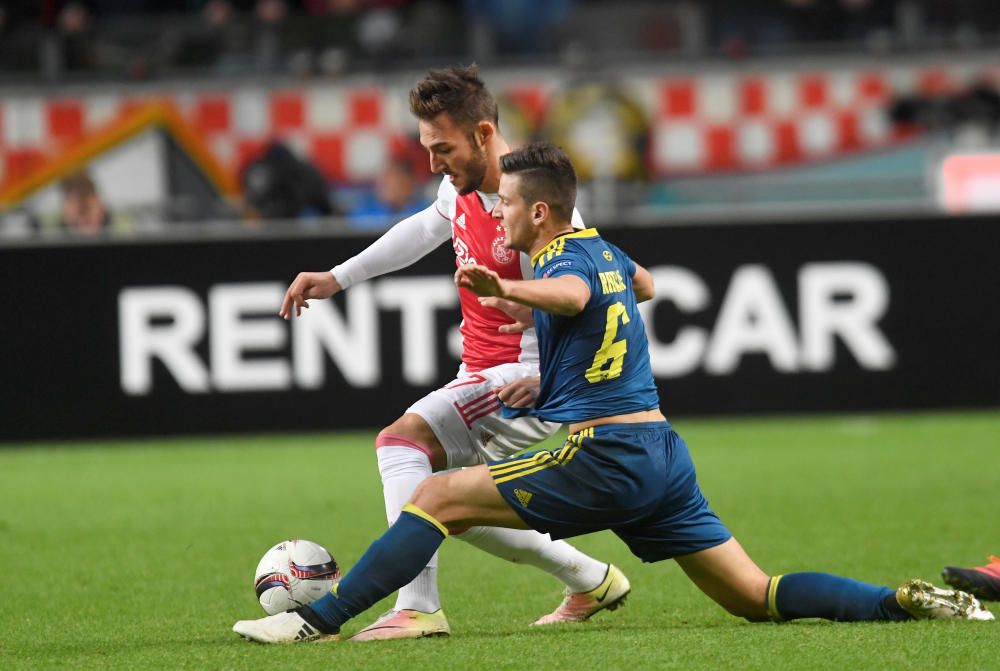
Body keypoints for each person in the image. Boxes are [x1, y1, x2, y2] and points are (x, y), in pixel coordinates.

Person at [235, 142, 993, 644]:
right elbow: (643, 282)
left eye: (504, 207)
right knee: (753, 594)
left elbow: (568, 295)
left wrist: (506, 286)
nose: (495, 218)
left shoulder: (562, 263)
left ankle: (319, 621)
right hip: (663, 455)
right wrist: (569, 290)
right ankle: (903, 601)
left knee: (433, 496)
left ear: (538, 211)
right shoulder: (608, 250)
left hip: (603, 451)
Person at [275, 65, 628, 641]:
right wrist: (338, 278)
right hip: (482, 370)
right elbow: (421, 230)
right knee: (443, 507)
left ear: (485, 134)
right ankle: (591, 578)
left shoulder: (541, 209)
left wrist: (548, 381)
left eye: (442, 149)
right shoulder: (461, 186)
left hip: (529, 378)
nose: (433, 163)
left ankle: (417, 607)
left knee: (401, 442)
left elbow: (598, 303)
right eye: (426, 149)